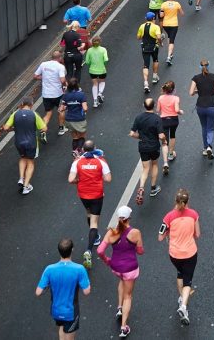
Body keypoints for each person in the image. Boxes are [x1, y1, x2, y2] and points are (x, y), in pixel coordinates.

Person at [96, 206, 144, 338]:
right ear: (129, 218)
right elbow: (140, 251)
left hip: (116, 268)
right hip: (130, 269)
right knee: (128, 296)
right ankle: (124, 327)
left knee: (121, 281)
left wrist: (107, 260)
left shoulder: (111, 232)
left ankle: (119, 308)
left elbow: (100, 251)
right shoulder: (135, 232)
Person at [35, 238, 91, 340]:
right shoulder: (79, 269)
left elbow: (38, 292)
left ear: (59, 251)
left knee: (62, 327)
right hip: (71, 312)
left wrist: (49, 285)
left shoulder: (49, 269)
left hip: (56, 311)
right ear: (72, 250)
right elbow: (87, 291)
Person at [160, 188, 201, 325]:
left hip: (174, 255)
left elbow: (160, 236)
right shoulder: (194, 215)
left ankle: (181, 298)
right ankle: (184, 306)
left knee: (180, 274)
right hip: (190, 253)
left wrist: (168, 233)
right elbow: (198, 234)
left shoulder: (168, 217)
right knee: (188, 281)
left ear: (175, 201)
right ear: (187, 201)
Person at [69, 140, 112, 269]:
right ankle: (88, 250)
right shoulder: (100, 161)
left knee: (88, 213)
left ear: (83, 149)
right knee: (94, 222)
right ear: (94, 149)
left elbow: (71, 179)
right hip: (97, 194)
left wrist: (79, 180)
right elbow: (108, 179)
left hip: (83, 194)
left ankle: (96, 237)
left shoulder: (77, 162)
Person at [3, 99, 46, 195]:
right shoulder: (34, 114)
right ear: (31, 105)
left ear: (22, 104)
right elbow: (44, 128)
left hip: (19, 142)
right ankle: (26, 186)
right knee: (30, 162)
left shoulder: (15, 114)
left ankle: (21, 178)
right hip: (31, 143)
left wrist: (14, 128)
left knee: (23, 158)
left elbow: (5, 128)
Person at [130, 97, 166, 205]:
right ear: (154, 106)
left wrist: (140, 137)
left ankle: (141, 188)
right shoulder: (157, 119)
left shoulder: (138, 117)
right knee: (154, 165)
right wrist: (164, 141)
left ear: (144, 106)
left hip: (143, 147)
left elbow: (132, 133)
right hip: (154, 146)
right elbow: (161, 135)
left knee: (145, 168)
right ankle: (153, 188)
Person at [190, 60, 214, 159]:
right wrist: (211, 91)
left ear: (200, 67)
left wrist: (198, 91)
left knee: (204, 127)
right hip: (211, 105)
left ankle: (205, 148)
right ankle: (209, 146)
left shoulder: (196, 78)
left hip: (200, 106)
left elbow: (191, 92)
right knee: (210, 128)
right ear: (209, 66)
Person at [35, 51, 68, 140]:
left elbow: (36, 76)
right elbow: (62, 80)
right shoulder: (60, 67)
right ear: (60, 58)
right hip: (58, 94)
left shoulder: (43, 64)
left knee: (48, 113)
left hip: (46, 94)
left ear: (51, 57)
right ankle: (61, 128)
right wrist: (65, 84)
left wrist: (44, 77)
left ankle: (43, 130)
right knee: (61, 110)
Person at [157, 81, 182, 174]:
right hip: (174, 120)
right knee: (172, 135)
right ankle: (171, 154)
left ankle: (165, 163)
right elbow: (176, 110)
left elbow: (158, 110)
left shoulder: (160, 98)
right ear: (173, 90)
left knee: (164, 142)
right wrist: (180, 112)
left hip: (164, 120)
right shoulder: (176, 98)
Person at [61, 78, 89, 155]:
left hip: (69, 119)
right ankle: (79, 150)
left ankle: (74, 151)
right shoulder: (81, 95)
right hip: (79, 118)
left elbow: (62, 108)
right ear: (77, 85)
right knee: (82, 136)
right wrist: (84, 111)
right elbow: (85, 108)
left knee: (75, 137)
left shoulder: (66, 95)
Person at [137, 13, 162, 94]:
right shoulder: (156, 27)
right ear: (154, 18)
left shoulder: (142, 26)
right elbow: (158, 37)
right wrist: (160, 42)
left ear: (146, 18)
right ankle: (154, 77)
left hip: (145, 47)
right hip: (154, 47)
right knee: (155, 60)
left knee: (146, 65)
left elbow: (138, 37)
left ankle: (146, 83)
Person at [83, 36, 109, 108]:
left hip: (92, 70)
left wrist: (90, 64)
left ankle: (95, 102)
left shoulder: (89, 50)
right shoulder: (103, 49)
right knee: (102, 82)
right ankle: (100, 93)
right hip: (102, 70)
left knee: (95, 84)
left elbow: (87, 61)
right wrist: (103, 64)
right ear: (100, 42)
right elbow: (106, 59)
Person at [160, 0, 183, 65]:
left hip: (165, 24)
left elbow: (161, 16)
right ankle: (168, 57)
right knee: (172, 41)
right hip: (174, 24)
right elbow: (182, 13)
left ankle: (171, 53)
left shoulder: (163, 4)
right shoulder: (177, 4)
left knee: (169, 37)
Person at [61, 21, 86, 85]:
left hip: (67, 55)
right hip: (76, 55)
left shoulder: (65, 34)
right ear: (77, 27)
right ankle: (77, 86)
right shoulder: (77, 35)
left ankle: (67, 86)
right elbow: (80, 47)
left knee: (69, 72)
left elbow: (62, 44)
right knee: (78, 70)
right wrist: (83, 45)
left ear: (71, 26)